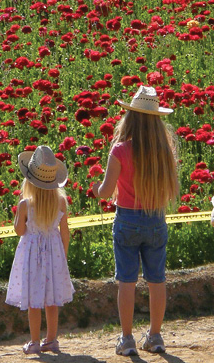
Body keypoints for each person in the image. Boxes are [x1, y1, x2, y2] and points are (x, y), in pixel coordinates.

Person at [92, 84, 179, 356]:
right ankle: (155, 336)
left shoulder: (120, 150)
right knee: (157, 280)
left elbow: (106, 192)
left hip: (127, 219)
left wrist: (95, 189)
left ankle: (127, 338)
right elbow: (171, 189)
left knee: (126, 281)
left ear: (130, 116)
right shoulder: (164, 151)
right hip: (156, 218)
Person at [5, 145, 73, 355]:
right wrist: (63, 256)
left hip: (31, 257)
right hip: (54, 256)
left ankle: (34, 341)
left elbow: (19, 231)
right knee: (51, 300)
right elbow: (65, 233)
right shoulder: (60, 202)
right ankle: (51, 339)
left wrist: (19, 215)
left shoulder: (25, 204)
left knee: (34, 300)